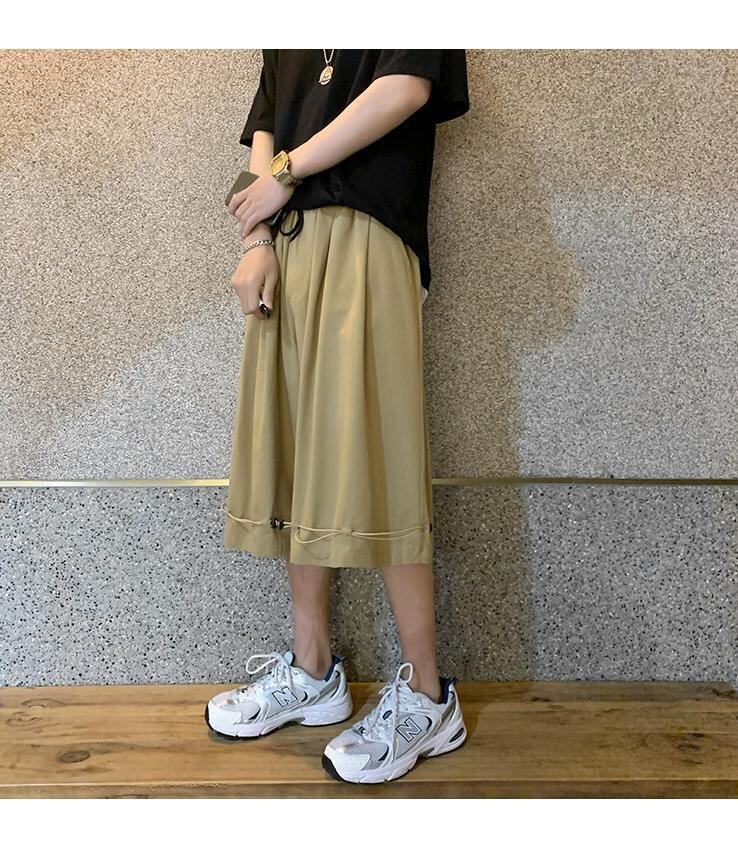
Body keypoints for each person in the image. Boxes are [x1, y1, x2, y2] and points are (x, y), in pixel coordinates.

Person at [205, 49, 471, 785]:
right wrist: (257, 239)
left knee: (378, 452)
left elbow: (404, 88)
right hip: (286, 243)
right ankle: (313, 670)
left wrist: (285, 175)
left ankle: (428, 697)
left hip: (367, 234)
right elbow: (267, 123)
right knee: (296, 456)